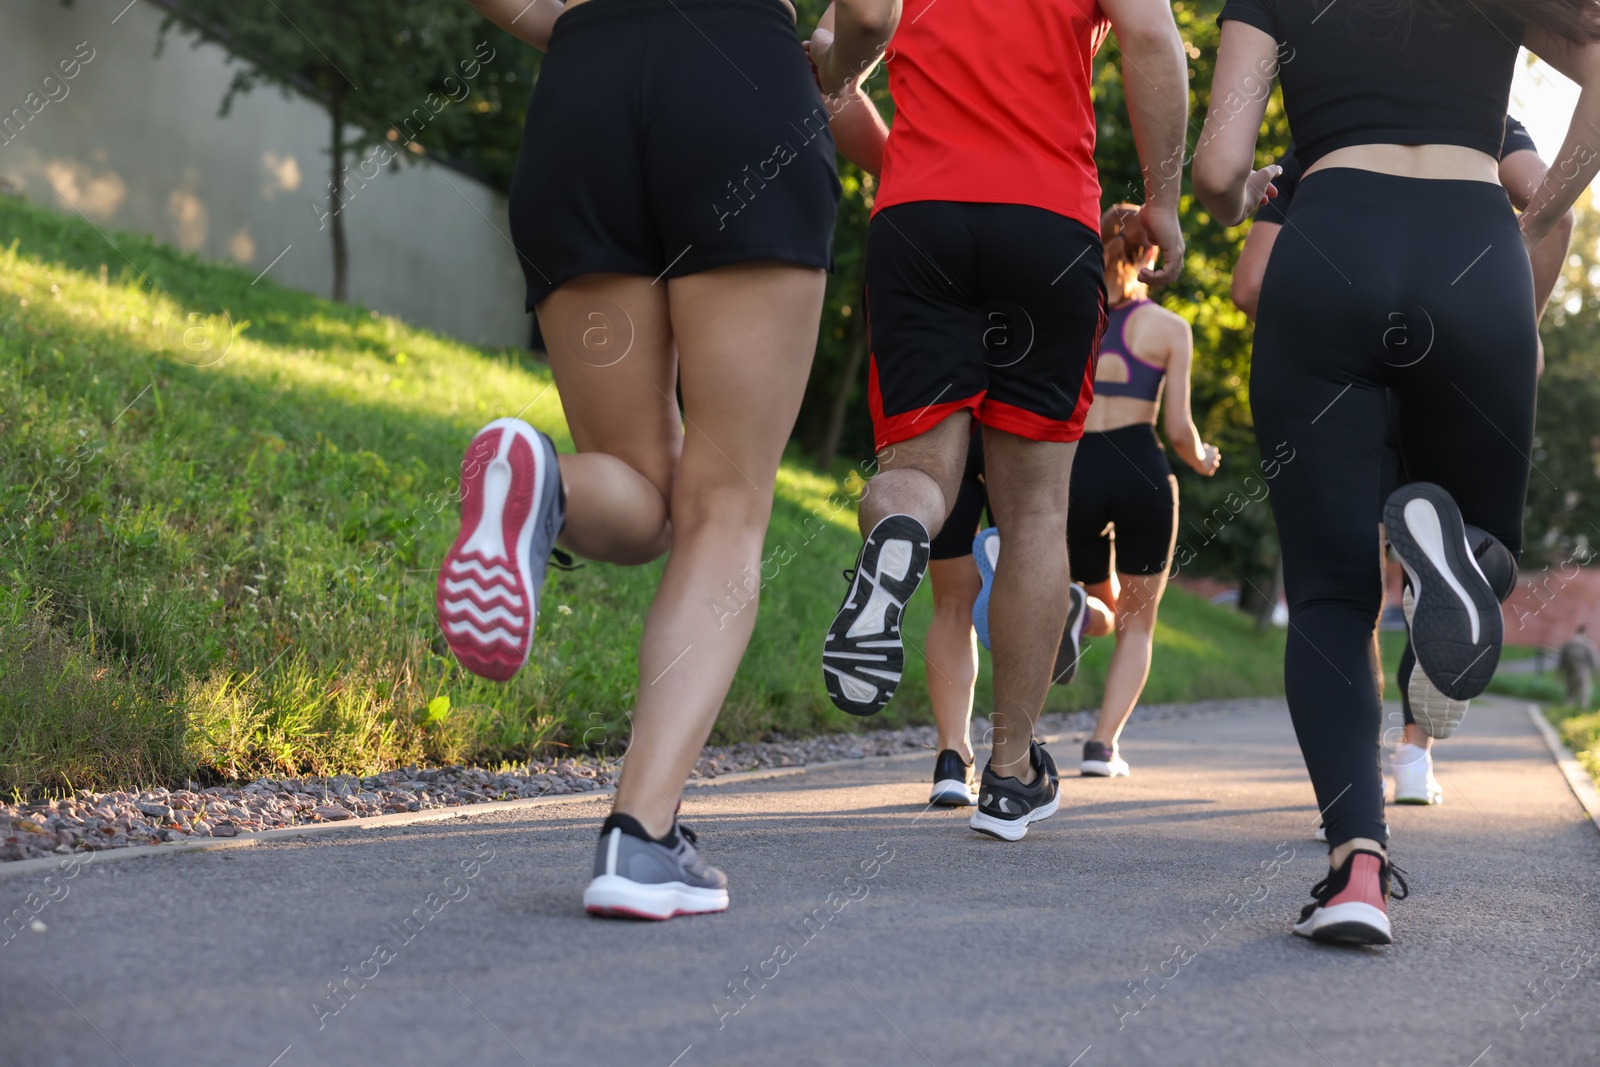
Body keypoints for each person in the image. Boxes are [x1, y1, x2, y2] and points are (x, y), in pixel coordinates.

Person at [1194, 0, 1600, 945]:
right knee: (1488, 539)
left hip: (1329, 243)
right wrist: (1546, 210)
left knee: (1333, 595)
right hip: (1473, 249)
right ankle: (1454, 566)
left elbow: (1217, 168)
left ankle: (1357, 873)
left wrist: (1243, 192)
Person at [441, 0, 840, 920]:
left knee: (643, 491)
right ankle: (641, 836)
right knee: (723, 507)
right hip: (743, 84)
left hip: (587, 89)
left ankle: (539, 477)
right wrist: (843, 59)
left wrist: (582, 29)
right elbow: (870, 10)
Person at [813, 0, 1190, 842]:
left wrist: (908, 167)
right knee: (1034, 514)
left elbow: (835, 68)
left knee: (915, 473)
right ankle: (1012, 772)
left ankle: (894, 543)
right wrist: (1163, 205)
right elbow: (1151, 37)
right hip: (1046, 223)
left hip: (920, 220)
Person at [1235, 125, 1559, 812]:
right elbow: (1544, 196)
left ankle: (1356, 804)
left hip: (1345, 376)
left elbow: (1251, 282)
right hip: (1460, 347)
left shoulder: (1322, 131)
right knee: (1459, 551)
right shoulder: (1482, 107)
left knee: (1344, 587)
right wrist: (1519, 327)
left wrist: (1306, 335)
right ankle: (1416, 757)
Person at [1070, 203, 1221, 779]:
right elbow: (1179, 430)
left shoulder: (1073, 315)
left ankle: (1081, 610)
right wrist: (1203, 460)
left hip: (1077, 467)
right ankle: (1102, 746)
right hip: (1140, 468)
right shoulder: (1169, 330)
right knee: (1139, 619)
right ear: (1152, 256)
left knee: (1098, 598)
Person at [1558, 624, 1598, 708]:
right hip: (1583, 670)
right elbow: (1593, 659)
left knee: (1570, 692)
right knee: (1584, 692)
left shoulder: (1569, 642)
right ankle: (1582, 710)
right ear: (1585, 632)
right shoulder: (1587, 643)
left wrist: (1560, 671)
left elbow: (1562, 657)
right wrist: (1595, 672)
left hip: (1570, 670)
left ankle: (1567, 709)